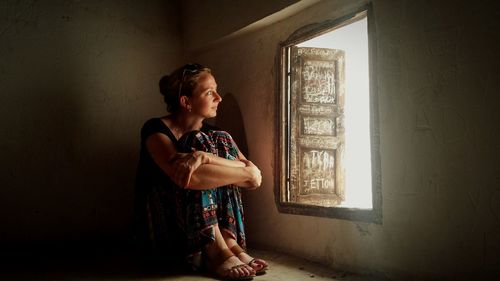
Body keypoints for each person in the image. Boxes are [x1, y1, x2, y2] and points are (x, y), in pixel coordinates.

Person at [133, 63, 268, 280]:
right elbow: (192, 178)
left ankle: (229, 243)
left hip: (207, 226)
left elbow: (255, 178)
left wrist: (204, 157)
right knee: (195, 141)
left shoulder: (216, 136)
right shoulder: (156, 130)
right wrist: (243, 171)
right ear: (186, 101)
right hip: (167, 230)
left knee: (219, 138)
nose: (219, 97)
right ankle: (215, 250)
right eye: (209, 92)